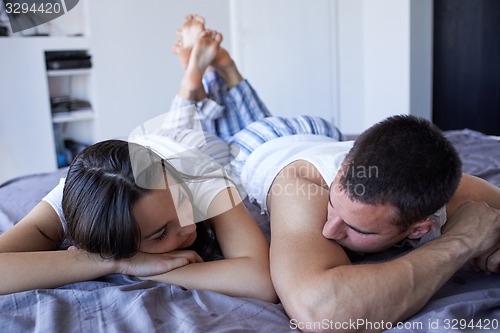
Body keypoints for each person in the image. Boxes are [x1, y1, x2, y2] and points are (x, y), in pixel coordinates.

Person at [168, 15, 500, 331]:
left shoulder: (462, 192)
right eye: (334, 205)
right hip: (262, 146)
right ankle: (198, 74)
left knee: (257, 120)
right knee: (192, 140)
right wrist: (462, 242)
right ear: (343, 169)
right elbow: (320, 314)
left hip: (314, 132)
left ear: (418, 228)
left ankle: (222, 67)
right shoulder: (301, 187)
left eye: (356, 228)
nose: (328, 229)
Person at [0, 25, 277, 303]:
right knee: (180, 124)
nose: (188, 226)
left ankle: (197, 80)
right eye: (160, 234)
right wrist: (114, 263)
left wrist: (152, 270)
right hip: (162, 143)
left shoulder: (200, 177)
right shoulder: (80, 200)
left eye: (183, 202)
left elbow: (260, 280)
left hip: (182, 148)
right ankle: (193, 80)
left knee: (249, 129)